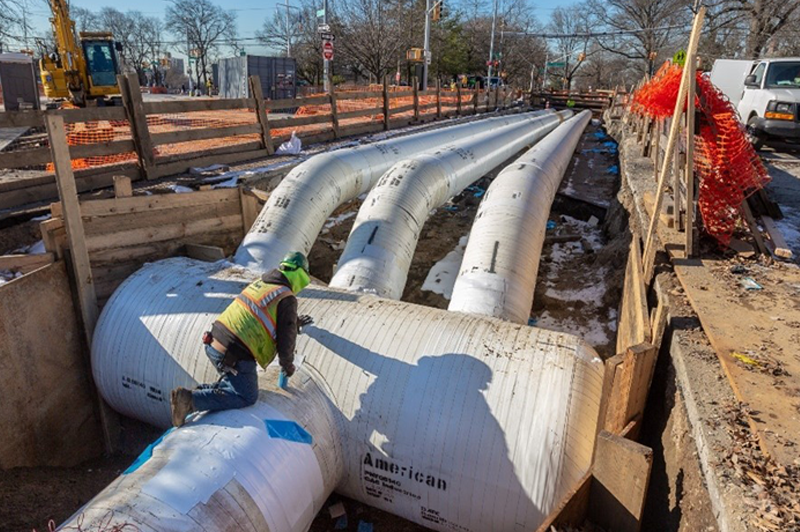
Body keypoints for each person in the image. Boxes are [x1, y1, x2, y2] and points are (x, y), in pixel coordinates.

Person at [170, 251, 314, 427]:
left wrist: (294, 320)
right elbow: (286, 337)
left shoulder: (263, 283)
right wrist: (287, 364)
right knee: (246, 396)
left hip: (214, 341)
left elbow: (264, 313)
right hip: (233, 353)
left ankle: (194, 393)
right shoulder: (287, 297)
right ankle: (191, 400)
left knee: (233, 383)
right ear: (299, 274)